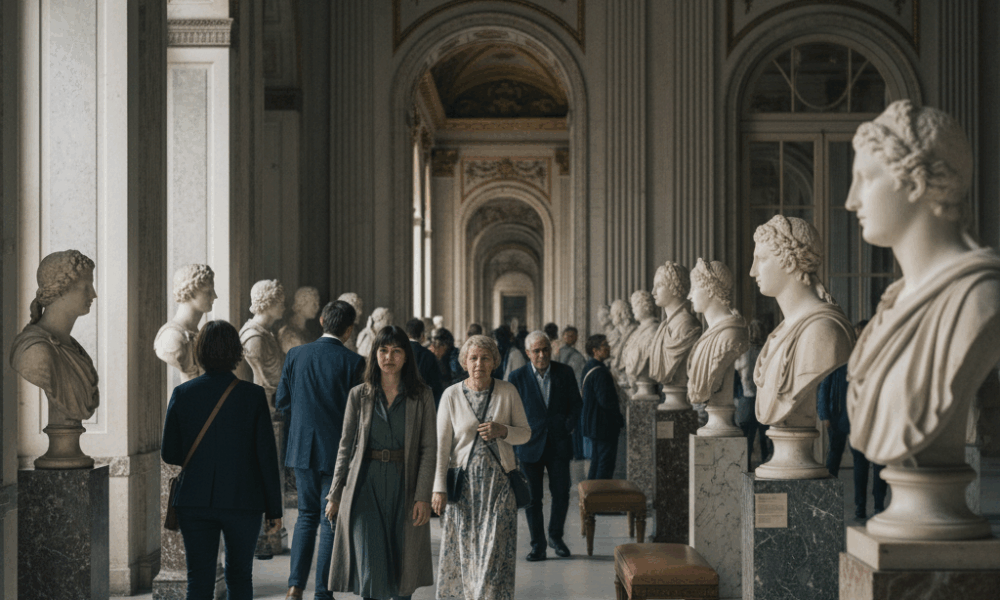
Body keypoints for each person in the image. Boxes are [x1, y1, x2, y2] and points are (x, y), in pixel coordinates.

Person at [161, 320, 283, 600]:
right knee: (240, 577)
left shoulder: (183, 393)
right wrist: (273, 510)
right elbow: (266, 456)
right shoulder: (252, 396)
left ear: (199, 351)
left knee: (199, 580)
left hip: (195, 500)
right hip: (244, 501)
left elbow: (170, 453)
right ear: (235, 353)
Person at [325, 326, 437, 600]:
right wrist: (335, 493)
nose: (389, 357)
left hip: (406, 486)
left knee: (403, 571)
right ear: (374, 355)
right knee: (370, 569)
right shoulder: (358, 395)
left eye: (396, 351)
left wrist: (423, 495)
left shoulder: (421, 395)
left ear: (406, 356)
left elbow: (429, 449)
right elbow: (345, 447)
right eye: (383, 350)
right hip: (365, 487)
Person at [276, 300, 365, 600]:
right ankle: (322, 593)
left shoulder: (296, 354)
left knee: (305, 516)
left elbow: (282, 401)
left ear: (322, 320)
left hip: (301, 448)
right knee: (330, 519)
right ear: (349, 329)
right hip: (337, 452)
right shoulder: (355, 363)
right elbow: (361, 414)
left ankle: (294, 586)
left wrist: (304, 420)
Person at [432, 334, 531, 599]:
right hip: (464, 491)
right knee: (466, 554)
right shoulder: (451, 395)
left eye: (485, 358)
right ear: (464, 362)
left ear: (494, 362)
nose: (479, 363)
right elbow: (441, 446)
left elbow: (525, 434)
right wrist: (438, 488)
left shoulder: (507, 391)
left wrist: (503, 430)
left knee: (494, 557)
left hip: (499, 488)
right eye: (473, 358)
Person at [509, 330, 583, 561]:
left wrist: (567, 425)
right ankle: (537, 545)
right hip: (529, 444)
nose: (542, 355)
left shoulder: (565, 372)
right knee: (533, 499)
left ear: (551, 350)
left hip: (559, 443)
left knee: (561, 493)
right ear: (528, 353)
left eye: (545, 349)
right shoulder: (516, 377)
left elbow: (576, 405)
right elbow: (510, 412)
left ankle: (556, 537)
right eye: (536, 351)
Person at [818, 320, 886, 521]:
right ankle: (855, 506)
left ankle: (878, 506)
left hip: (871, 417)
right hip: (846, 415)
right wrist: (825, 414)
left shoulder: (878, 354)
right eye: (858, 333)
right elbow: (825, 383)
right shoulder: (844, 354)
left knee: (875, 463)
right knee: (853, 462)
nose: (860, 337)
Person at [581, 335, 624, 479]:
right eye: (604, 345)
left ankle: (592, 496)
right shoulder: (599, 372)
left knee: (597, 461)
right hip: (604, 425)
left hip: (595, 424)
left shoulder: (590, 366)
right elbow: (606, 401)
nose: (608, 348)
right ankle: (600, 497)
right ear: (595, 350)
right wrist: (619, 419)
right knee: (605, 464)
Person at [734, 319, 770, 465]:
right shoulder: (768, 351)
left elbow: (738, 373)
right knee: (765, 437)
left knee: (746, 438)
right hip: (764, 399)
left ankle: (745, 469)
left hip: (747, 399)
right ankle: (766, 466)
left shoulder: (744, 352)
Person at [557, 326, 587, 459]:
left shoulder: (577, 356)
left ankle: (575, 451)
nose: (570, 338)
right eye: (567, 335)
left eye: (572, 336)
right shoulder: (557, 353)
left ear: (576, 338)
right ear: (562, 337)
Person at [405, 318, 444, 406]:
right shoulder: (428, 355)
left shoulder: (398, 353)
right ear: (422, 335)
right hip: (423, 404)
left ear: (406, 334)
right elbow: (436, 386)